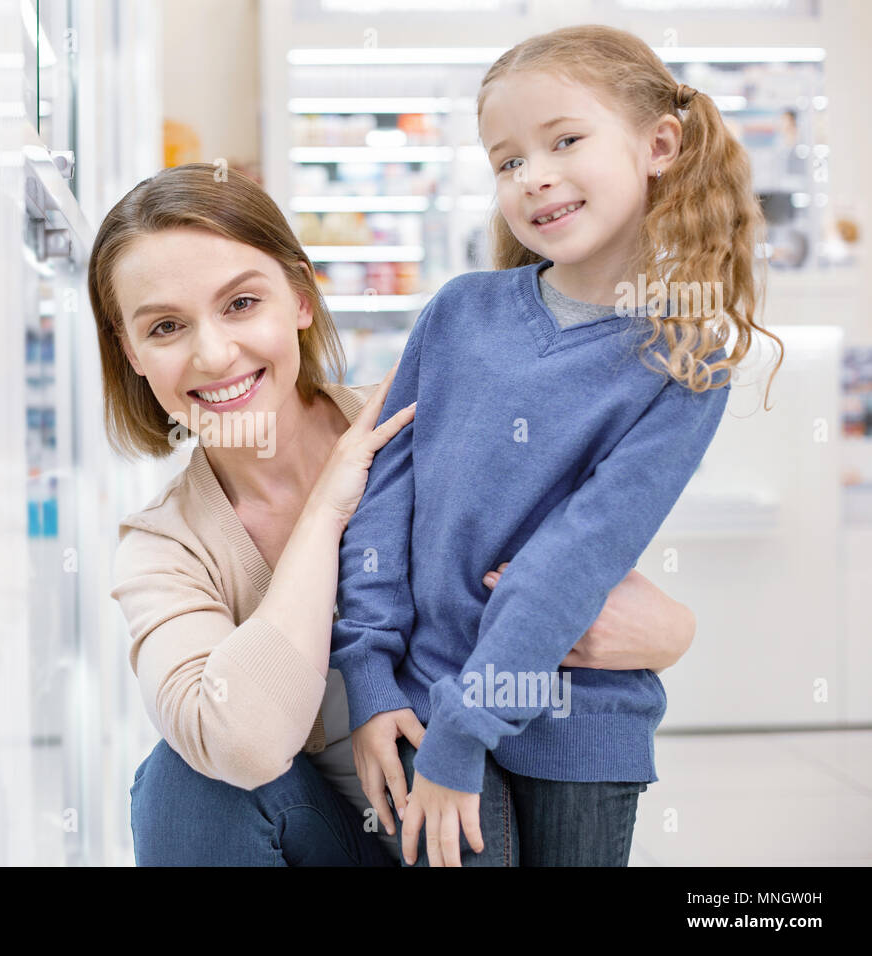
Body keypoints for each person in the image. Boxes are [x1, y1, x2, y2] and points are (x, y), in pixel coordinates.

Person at [97, 163, 702, 866]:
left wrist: (673, 632)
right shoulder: (162, 548)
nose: (213, 352)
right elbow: (245, 744)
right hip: (326, 840)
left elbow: (580, 571)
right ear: (130, 350)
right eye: (166, 326)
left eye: (240, 304)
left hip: (471, 820)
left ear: (299, 297)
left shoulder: (428, 419)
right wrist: (327, 510)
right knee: (180, 778)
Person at [333, 24, 785, 868]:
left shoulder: (686, 357)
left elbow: (580, 552)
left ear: (659, 145)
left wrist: (469, 726)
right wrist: (368, 676)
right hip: (422, 704)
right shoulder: (459, 313)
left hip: (580, 728)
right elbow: (380, 503)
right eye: (506, 161)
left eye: (564, 140)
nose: (533, 176)